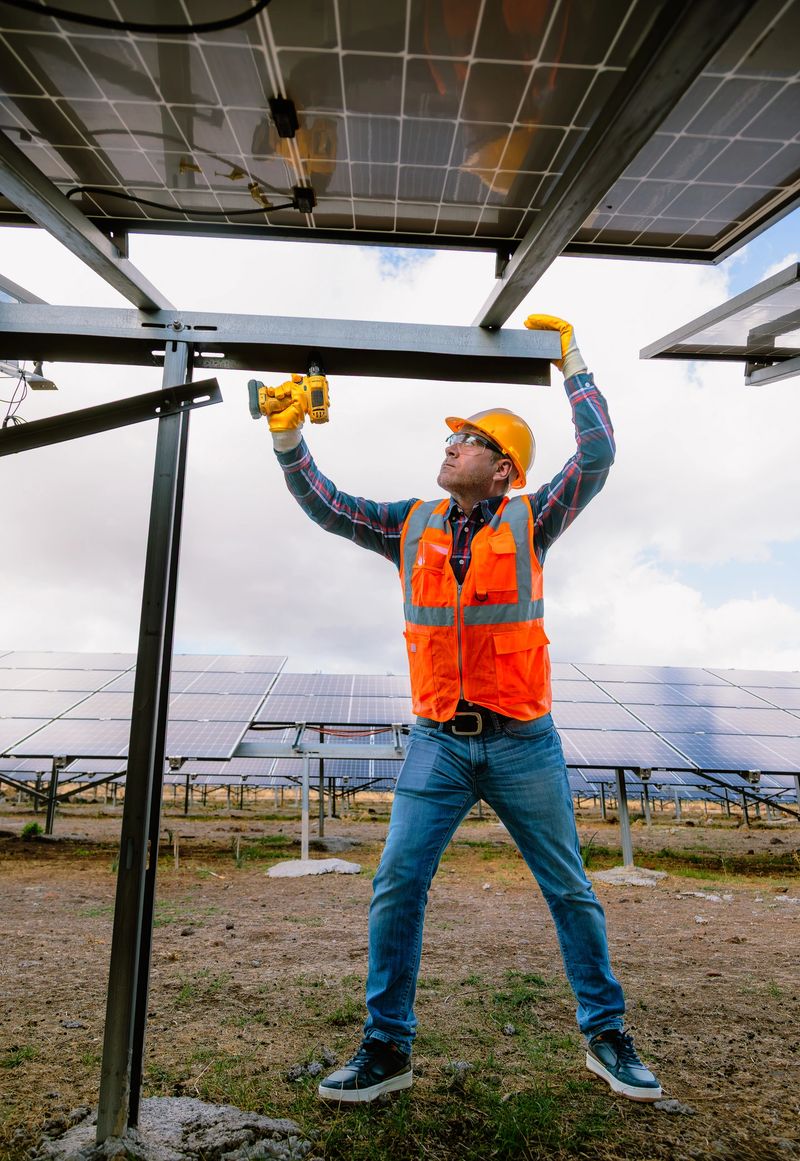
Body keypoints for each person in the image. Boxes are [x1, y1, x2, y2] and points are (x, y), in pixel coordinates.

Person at [265, 314, 661, 1105]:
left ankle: (606, 1034)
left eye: (469, 439)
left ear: (502, 468)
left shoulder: (531, 517)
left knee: (570, 888)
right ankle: (386, 1047)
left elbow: (600, 455)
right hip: (437, 743)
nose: (450, 446)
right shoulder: (410, 525)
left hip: (523, 743)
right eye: (452, 437)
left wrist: (572, 363)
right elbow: (326, 504)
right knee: (395, 885)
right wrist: (288, 441)